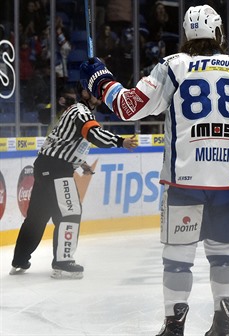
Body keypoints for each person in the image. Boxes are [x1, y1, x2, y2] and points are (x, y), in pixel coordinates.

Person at [79, 4, 229, 336]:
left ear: (187, 35)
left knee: (177, 258)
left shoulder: (172, 66)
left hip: (184, 181)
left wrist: (101, 80)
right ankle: (223, 325)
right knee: (224, 257)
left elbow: (128, 107)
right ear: (218, 34)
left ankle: (174, 327)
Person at [10, 81, 138, 279]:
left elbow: (65, 143)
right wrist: (121, 141)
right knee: (70, 212)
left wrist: (79, 163)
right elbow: (95, 135)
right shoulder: (82, 113)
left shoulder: (76, 110)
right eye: (97, 91)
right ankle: (63, 261)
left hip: (47, 165)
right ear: (86, 93)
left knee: (37, 216)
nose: (101, 95)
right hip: (56, 169)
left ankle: (19, 260)